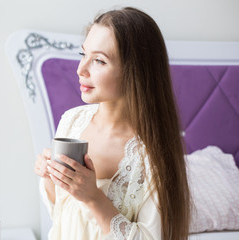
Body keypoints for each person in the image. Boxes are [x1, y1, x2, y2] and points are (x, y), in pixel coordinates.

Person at [34, 7, 190, 240]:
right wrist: (49, 177)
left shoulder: (152, 153)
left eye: (99, 60)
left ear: (135, 71)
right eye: (82, 54)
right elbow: (62, 217)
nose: (80, 70)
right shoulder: (72, 121)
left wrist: (93, 198)